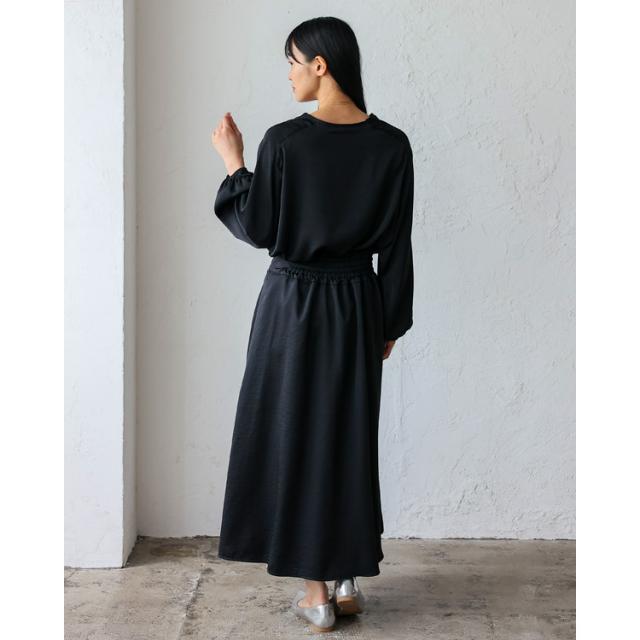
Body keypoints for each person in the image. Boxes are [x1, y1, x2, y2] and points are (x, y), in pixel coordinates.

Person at [211, 16, 414, 634]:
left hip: (293, 304)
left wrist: (234, 164)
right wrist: (389, 323)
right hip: (357, 304)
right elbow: (396, 246)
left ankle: (316, 593)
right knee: (347, 437)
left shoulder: (284, 141)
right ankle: (347, 577)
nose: (290, 74)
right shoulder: (392, 145)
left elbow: (260, 227)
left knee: (291, 434)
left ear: (320, 65)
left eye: (293, 62)